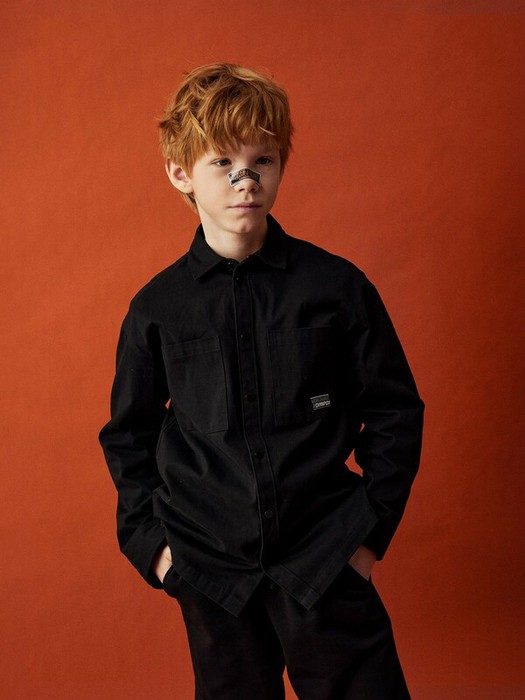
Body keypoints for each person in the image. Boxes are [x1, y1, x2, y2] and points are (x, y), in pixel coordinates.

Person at [99, 63, 424, 700]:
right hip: (211, 573)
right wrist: (155, 549)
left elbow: (395, 410)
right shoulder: (157, 308)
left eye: (262, 160)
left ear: (280, 167)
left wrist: (368, 534)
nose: (245, 179)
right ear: (180, 174)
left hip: (326, 559)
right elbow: (128, 435)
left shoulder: (337, 288)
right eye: (222, 162)